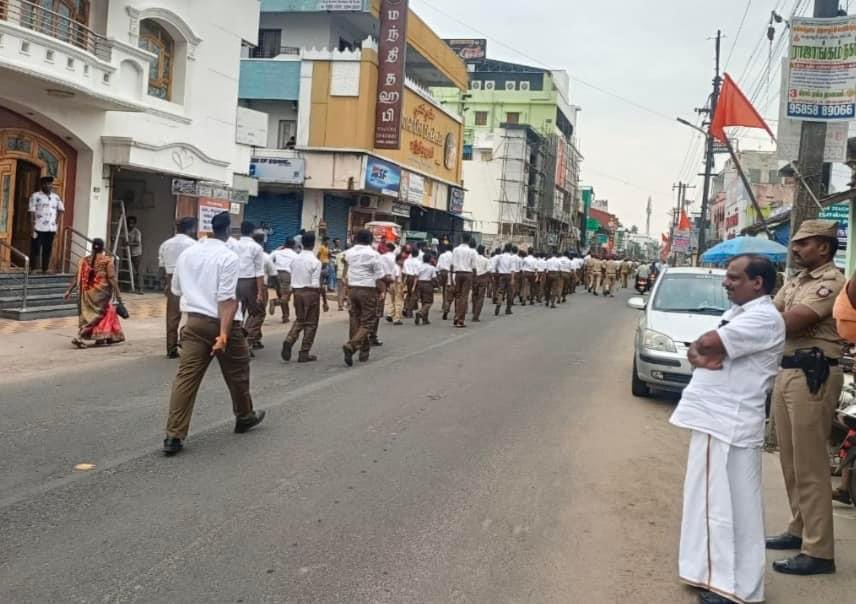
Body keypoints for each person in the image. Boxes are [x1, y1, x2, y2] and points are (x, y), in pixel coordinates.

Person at [670, 255, 785, 604]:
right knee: (711, 502)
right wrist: (705, 352)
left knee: (724, 507)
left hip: (728, 422)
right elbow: (702, 352)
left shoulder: (763, 317)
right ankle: (709, 574)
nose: (726, 283)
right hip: (720, 420)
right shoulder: (741, 314)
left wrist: (707, 350)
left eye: (734, 278)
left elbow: (706, 345)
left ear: (758, 283)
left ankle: (728, 587)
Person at [766, 220, 845, 576]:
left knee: (810, 465)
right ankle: (800, 528)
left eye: (803, 244)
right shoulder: (797, 280)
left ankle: (819, 551)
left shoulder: (830, 282)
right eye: (794, 244)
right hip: (789, 371)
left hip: (813, 374)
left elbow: (789, 320)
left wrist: (765, 318)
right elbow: (770, 312)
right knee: (791, 459)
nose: (795, 249)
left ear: (824, 248)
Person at [162, 212, 265, 456]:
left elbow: (175, 289)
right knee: (238, 372)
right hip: (222, 323)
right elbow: (227, 300)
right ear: (228, 230)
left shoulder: (188, 254)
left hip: (194, 322)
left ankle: (173, 435)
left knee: (186, 379)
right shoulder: (228, 256)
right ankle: (244, 416)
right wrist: (224, 335)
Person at [63, 238, 125, 349]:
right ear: (103, 248)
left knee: (100, 314)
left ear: (92, 247)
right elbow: (111, 278)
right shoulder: (107, 260)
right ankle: (79, 337)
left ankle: (101, 337)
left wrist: (69, 290)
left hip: (88, 293)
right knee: (98, 315)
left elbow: (76, 277)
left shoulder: (85, 260)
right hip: (102, 294)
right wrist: (118, 293)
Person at [341, 229, 385, 366]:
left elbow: (344, 264)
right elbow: (379, 276)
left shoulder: (349, 252)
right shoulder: (374, 254)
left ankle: (364, 350)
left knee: (355, 318)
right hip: (368, 289)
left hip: (352, 289)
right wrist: (382, 290)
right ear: (370, 240)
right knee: (368, 322)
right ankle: (352, 345)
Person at [158, 217, 198, 358]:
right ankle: (185, 338)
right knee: (194, 315)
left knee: (172, 317)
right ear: (191, 229)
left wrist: (165, 284)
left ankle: (171, 348)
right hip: (189, 282)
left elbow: (162, 268)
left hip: (171, 280)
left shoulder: (165, 244)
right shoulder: (193, 244)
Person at [281, 231, 322, 363]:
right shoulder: (315, 261)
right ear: (314, 244)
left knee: (300, 319)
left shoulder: (295, 260)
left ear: (302, 244)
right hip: (311, 293)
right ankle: (304, 352)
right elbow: (316, 283)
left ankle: (289, 339)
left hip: (297, 292)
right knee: (311, 324)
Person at [228, 222, 266, 351]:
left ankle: (235, 341)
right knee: (257, 313)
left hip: (235, 282)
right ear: (253, 232)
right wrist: (260, 292)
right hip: (250, 283)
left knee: (239, 313)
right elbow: (259, 272)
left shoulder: (233, 246)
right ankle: (247, 341)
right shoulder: (256, 247)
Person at [29, 175, 64, 273]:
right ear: (42, 185)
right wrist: (32, 228)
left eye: (50, 184)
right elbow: (31, 212)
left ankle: (45, 269)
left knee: (47, 249)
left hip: (51, 228)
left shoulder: (55, 197)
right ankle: (33, 268)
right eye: (46, 184)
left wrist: (57, 223)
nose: (48, 186)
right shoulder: (35, 196)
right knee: (35, 249)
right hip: (38, 227)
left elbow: (61, 210)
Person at [451, 234, 478, 328]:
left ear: (461, 238)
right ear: (469, 240)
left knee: (457, 296)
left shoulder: (455, 249)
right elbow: (474, 266)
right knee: (464, 297)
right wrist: (475, 277)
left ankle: (456, 315)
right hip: (467, 274)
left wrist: (451, 276)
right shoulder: (472, 251)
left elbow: (452, 264)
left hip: (458, 273)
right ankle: (460, 319)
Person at [270, 240, 298, 323]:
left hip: (276, 275)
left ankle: (285, 317)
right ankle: (274, 302)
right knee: (286, 296)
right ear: (293, 246)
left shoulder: (277, 252)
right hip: (287, 275)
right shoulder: (295, 255)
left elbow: (268, 259)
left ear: (284, 245)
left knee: (282, 295)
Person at [415, 251, 438, 326]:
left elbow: (416, 275)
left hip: (419, 283)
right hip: (428, 284)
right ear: (430, 259)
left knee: (423, 302)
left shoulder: (419, 266)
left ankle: (425, 319)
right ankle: (421, 312)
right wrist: (437, 286)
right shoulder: (432, 268)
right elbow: (434, 278)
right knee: (428, 302)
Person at [471, 245, 491, 323]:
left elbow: (472, 268)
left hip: (474, 278)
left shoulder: (474, 259)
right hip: (482, 278)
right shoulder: (486, 260)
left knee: (474, 295)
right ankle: (476, 315)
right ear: (483, 251)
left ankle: (473, 310)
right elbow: (489, 270)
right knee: (480, 297)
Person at [493, 243, 514, 316]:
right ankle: (508, 309)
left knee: (500, 292)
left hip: (501, 275)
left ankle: (498, 305)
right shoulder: (511, 257)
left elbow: (495, 266)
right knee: (509, 293)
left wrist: (498, 271)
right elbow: (512, 269)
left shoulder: (500, 257)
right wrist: (512, 278)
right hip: (508, 275)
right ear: (510, 249)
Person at [126, 216, 144, 294]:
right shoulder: (126, 231)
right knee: (129, 271)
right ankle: (130, 287)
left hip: (136, 254)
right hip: (127, 253)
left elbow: (137, 243)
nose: (130, 224)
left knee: (138, 271)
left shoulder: (137, 232)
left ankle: (140, 288)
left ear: (134, 224)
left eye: (132, 223)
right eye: (129, 223)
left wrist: (129, 244)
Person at [437, 244, 453, 320]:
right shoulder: (453, 256)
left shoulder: (442, 255)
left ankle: (443, 305)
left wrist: (438, 273)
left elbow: (438, 265)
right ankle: (446, 306)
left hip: (442, 272)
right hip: (449, 273)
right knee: (447, 289)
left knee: (443, 289)